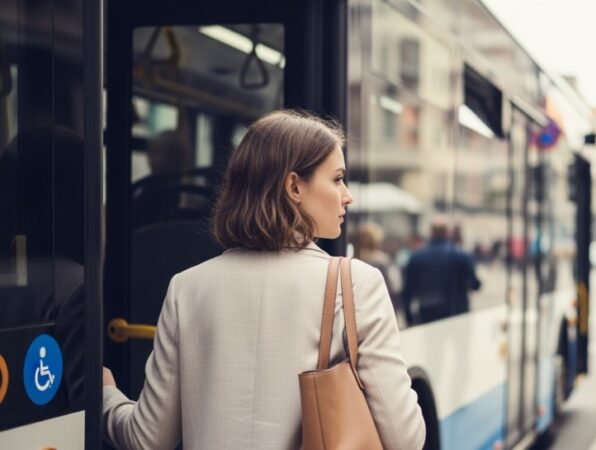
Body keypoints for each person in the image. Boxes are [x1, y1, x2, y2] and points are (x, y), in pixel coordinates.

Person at [102, 110, 426, 450]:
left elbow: (147, 439)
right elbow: (407, 439)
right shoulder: (356, 283)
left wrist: (107, 396)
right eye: (337, 179)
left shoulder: (187, 287)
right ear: (294, 186)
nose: (347, 195)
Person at [401, 219, 481, 325]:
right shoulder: (462, 255)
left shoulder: (417, 257)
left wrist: (408, 317)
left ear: (432, 233)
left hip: (428, 311)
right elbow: (475, 284)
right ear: (447, 233)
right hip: (457, 312)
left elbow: (408, 290)